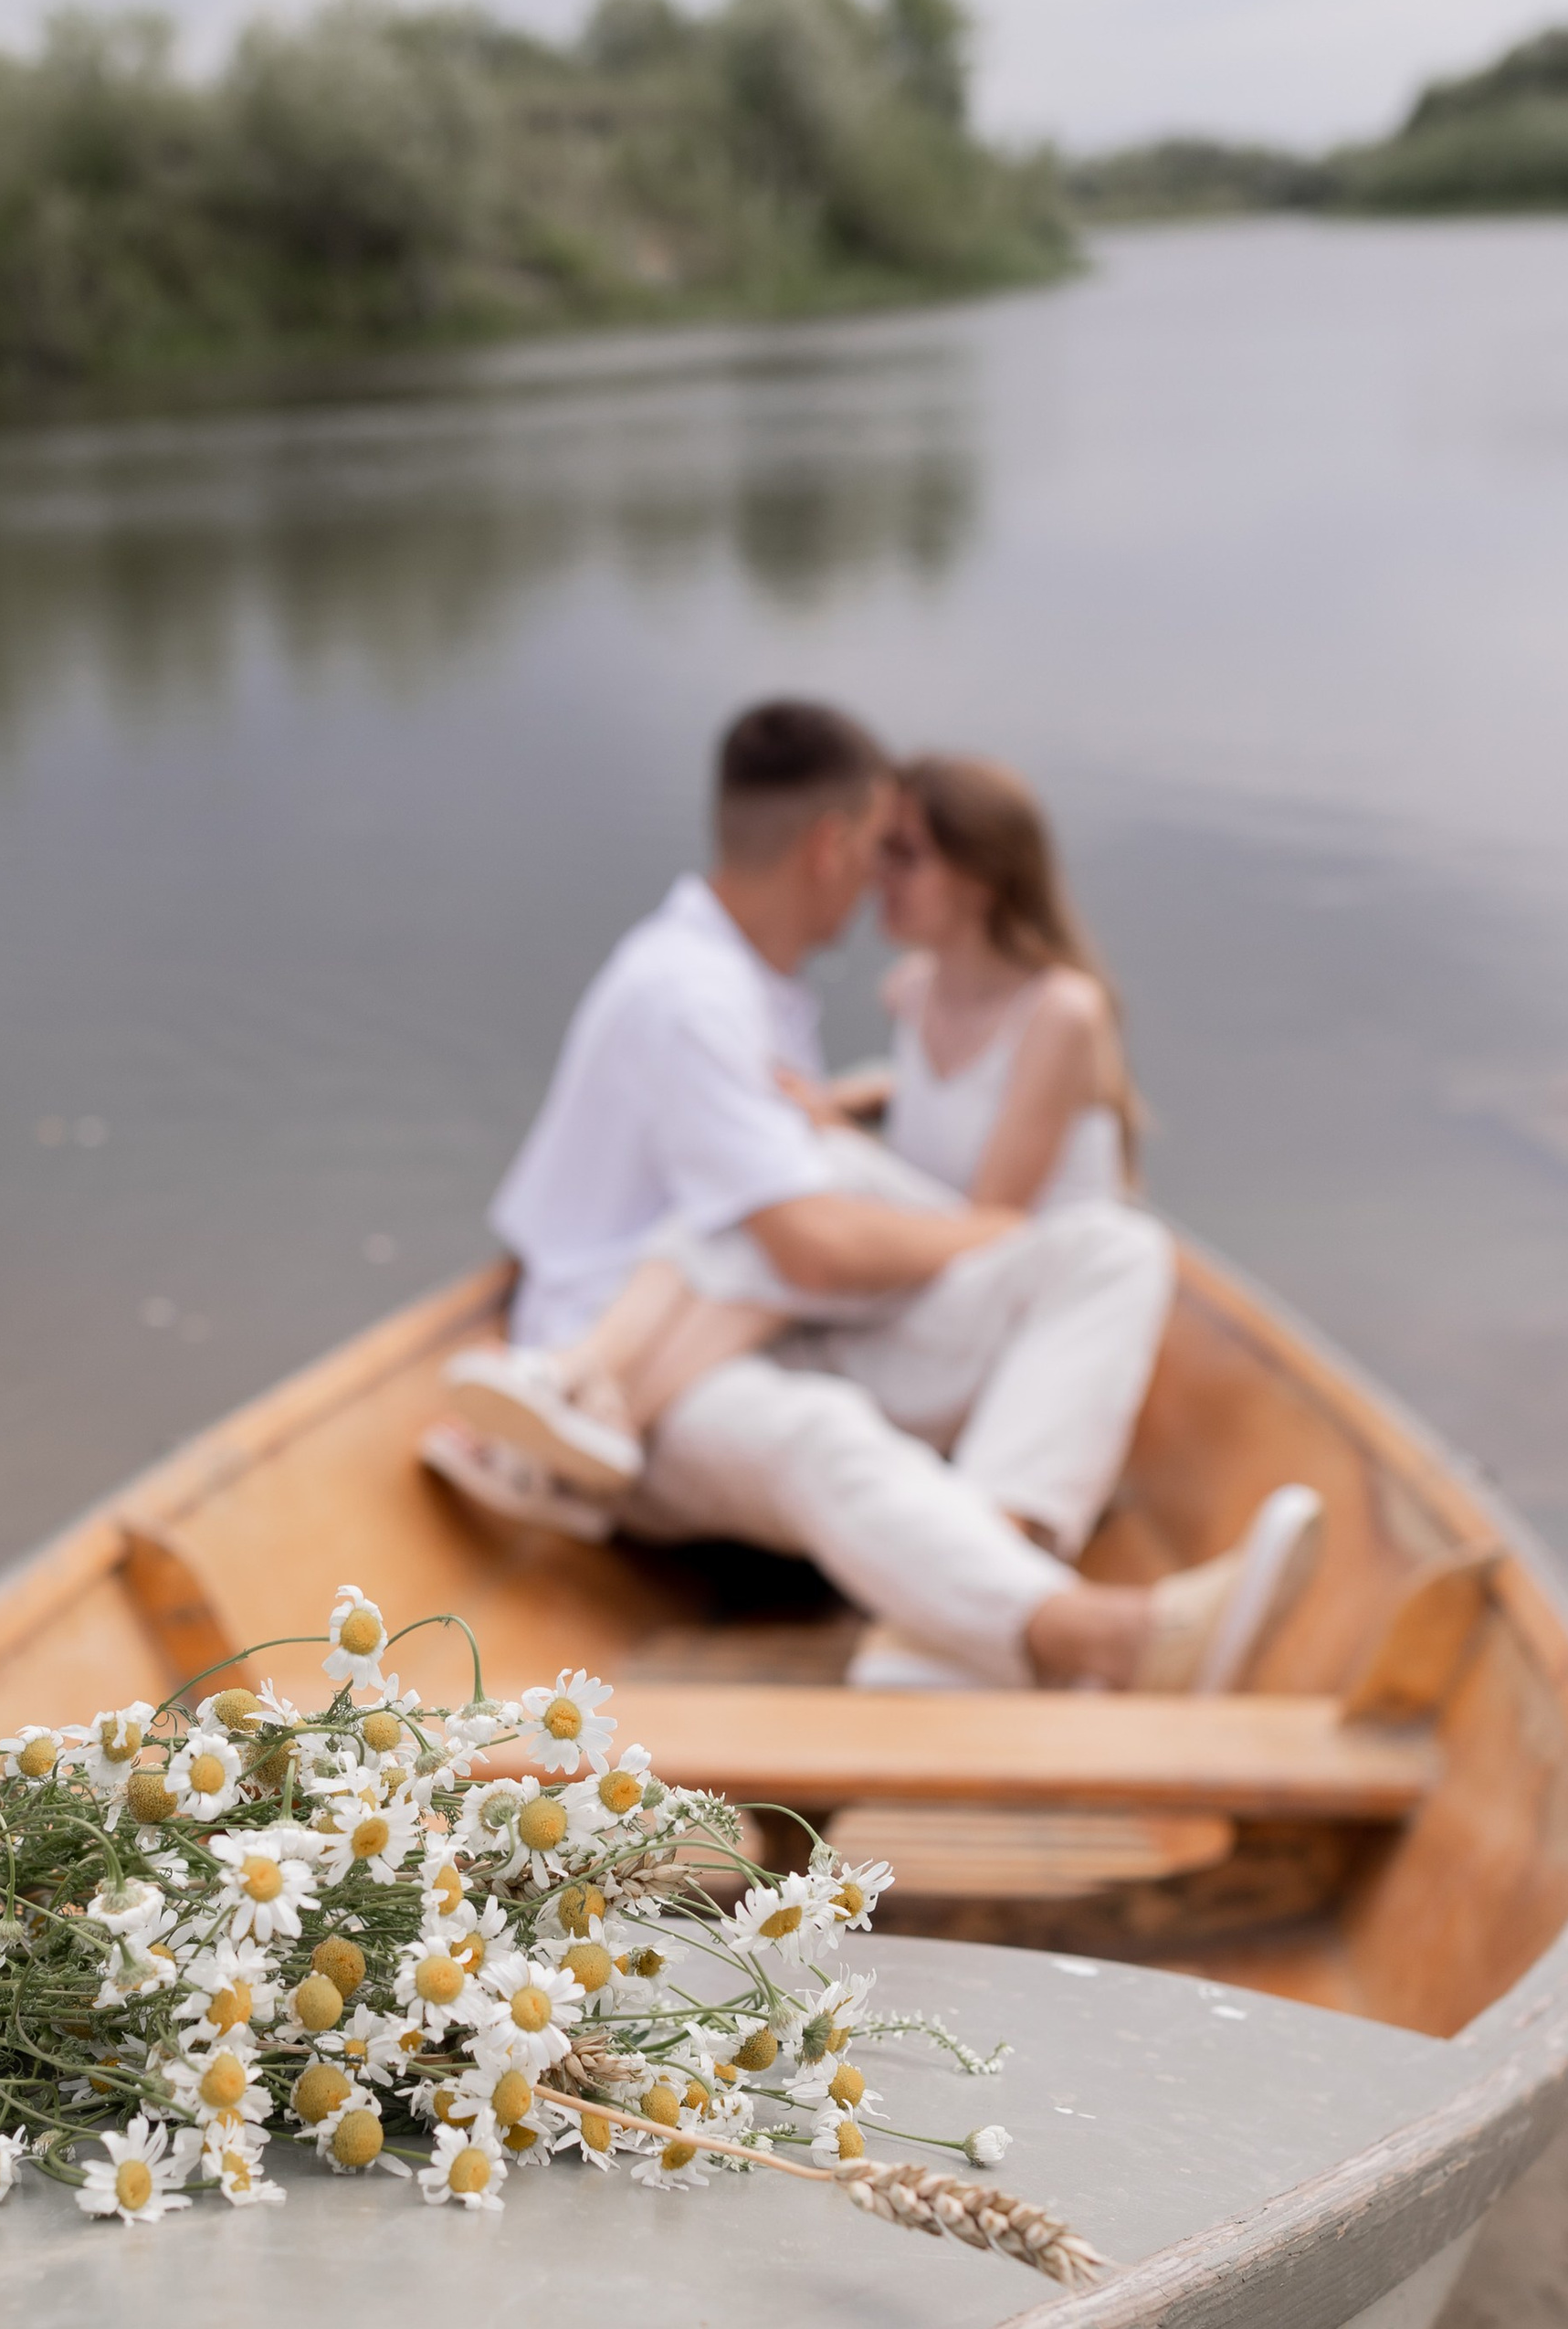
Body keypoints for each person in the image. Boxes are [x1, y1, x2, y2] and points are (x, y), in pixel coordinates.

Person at [425, 699, 1320, 1692]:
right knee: (821, 1427)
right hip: (655, 1384)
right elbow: (808, 1248)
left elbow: (807, 1227)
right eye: (878, 849)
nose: (878, 884)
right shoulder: (696, 998)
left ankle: (957, 1605)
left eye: (909, 855)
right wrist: (977, 1228)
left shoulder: (751, 985)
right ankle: (1093, 1638)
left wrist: (876, 1142)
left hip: (764, 1324)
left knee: (1116, 1247)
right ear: (830, 846)